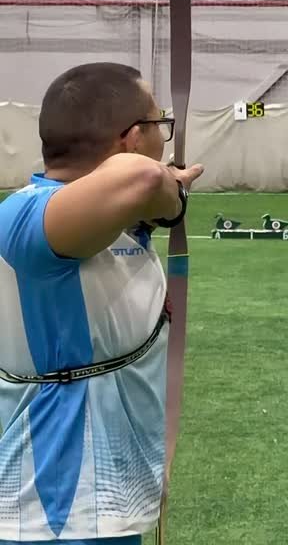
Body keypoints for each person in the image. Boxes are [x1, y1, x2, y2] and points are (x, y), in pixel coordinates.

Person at [0, 62, 203, 545]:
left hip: (107, 505)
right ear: (132, 139)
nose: (164, 139)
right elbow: (142, 179)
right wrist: (172, 198)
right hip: (53, 510)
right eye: (159, 124)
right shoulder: (24, 214)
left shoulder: (104, 220)